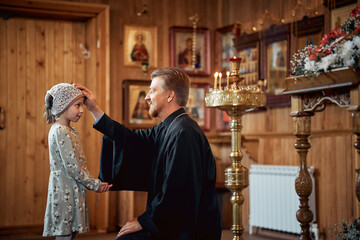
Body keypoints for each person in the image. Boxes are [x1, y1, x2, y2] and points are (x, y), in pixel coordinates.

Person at [76, 67, 222, 240]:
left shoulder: (184, 133)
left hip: (189, 230)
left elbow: (178, 192)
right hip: (173, 222)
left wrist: (143, 221)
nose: (146, 96)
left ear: (170, 95)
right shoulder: (170, 126)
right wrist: (95, 110)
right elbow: (132, 140)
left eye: (152, 90)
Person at [42, 83, 112, 240]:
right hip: (64, 188)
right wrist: (95, 184)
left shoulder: (70, 130)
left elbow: (79, 163)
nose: (82, 110)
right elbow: (73, 167)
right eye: (77, 105)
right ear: (62, 105)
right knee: (65, 233)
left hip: (73, 187)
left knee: (72, 232)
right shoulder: (60, 131)